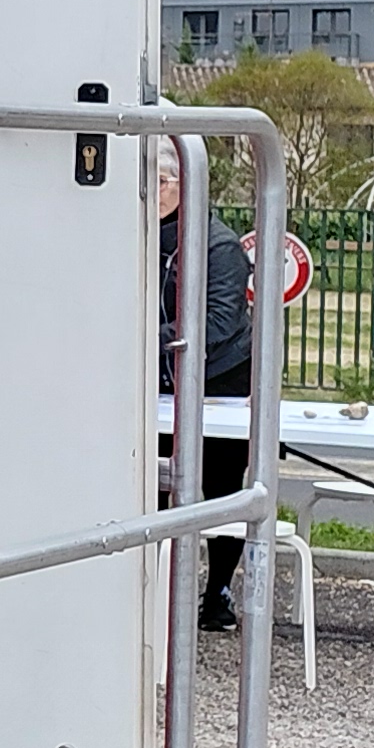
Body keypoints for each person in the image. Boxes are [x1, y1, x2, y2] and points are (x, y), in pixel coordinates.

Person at [156, 138, 261, 628]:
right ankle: (152, 592)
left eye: (162, 182)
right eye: (148, 181)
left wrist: (146, 339)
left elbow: (219, 322)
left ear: (186, 183)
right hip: (156, 385)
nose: (154, 191)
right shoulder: (128, 234)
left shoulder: (218, 246)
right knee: (151, 485)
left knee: (221, 490)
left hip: (220, 383)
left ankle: (217, 591)